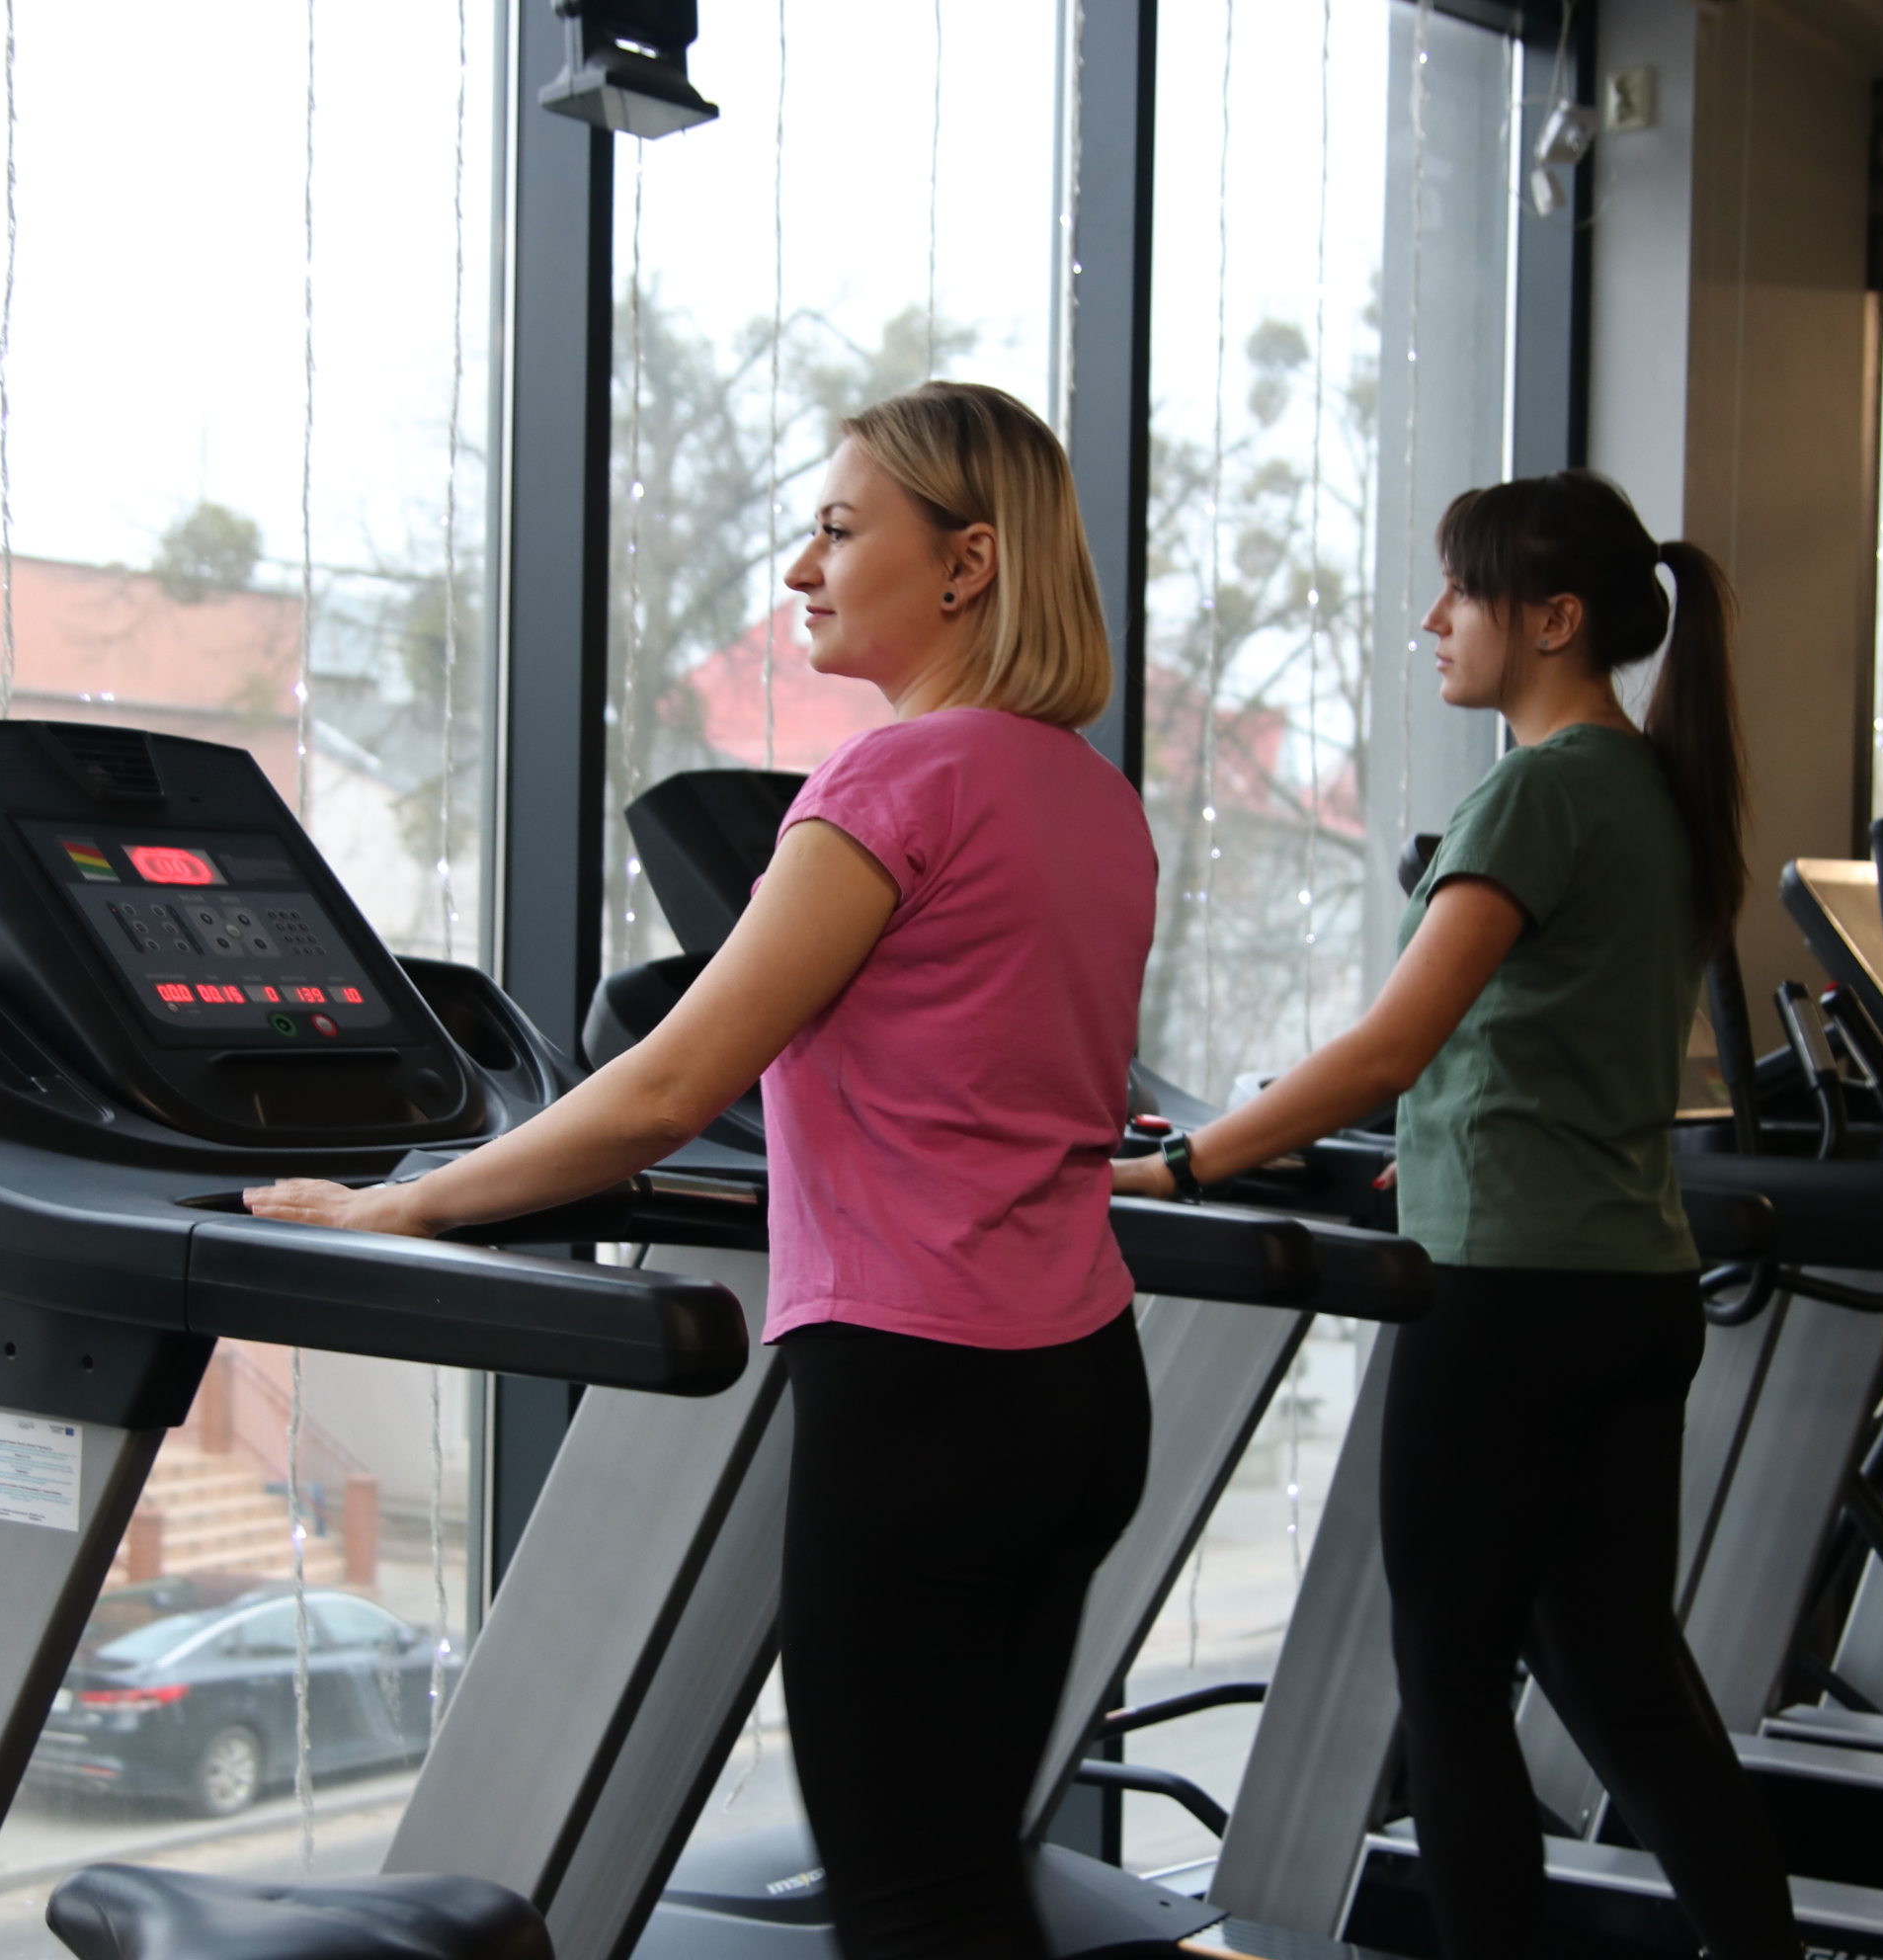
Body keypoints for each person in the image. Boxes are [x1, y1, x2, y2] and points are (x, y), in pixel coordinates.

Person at [246, 381, 1156, 1960]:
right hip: (1081, 1388)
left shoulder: (889, 784)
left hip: (924, 1398)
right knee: (966, 1880)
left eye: (839, 531)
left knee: (909, 1905)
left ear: (968, 564)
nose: (801, 570)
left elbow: (669, 1084)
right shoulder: (1095, 798)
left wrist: (408, 1201)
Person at [1111, 471, 1798, 1960]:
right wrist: (1421, 1151)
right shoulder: (1654, 791)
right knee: (1622, 1679)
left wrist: (1181, 1168)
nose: (1433, 620)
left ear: (1553, 621)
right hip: (1632, 1287)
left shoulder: (1536, 790)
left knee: (1450, 1684)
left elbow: (1387, 1047)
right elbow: (1539, 1044)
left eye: (1462, 592)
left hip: (1508, 1300)